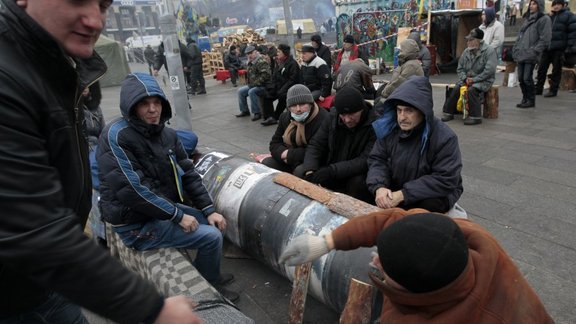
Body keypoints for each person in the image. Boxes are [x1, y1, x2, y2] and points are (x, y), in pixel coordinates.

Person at [0, 0, 201, 322]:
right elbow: (32, 228)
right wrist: (152, 309)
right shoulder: (10, 75)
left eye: (104, 5)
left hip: (41, 283)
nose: (95, 20)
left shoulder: (46, 64)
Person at [97, 73, 239, 302]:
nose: (153, 109)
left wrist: (209, 209)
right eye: (144, 103)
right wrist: (177, 215)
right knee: (211, 237)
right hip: (135, 223)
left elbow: (190, 175)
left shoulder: (167, 134)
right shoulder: (116, 136)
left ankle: (206, 274)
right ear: (131, 107)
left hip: (159, 209)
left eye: (157, 103)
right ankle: (211, 286)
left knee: (215, 223)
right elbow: (132, 190)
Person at [279, 210, 554, 323]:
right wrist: (327, 241)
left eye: (384, 267)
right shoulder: (463, 236)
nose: (374, 260)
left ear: (414, 293)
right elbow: (392, 220)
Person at [369, 76, 463, 213]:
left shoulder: (445, 137)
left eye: (409, 111)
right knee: (362, 186)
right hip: (398, 187)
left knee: (431, 204)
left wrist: (403, 194)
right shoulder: (390, 129)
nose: (402, 117)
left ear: (422, 111)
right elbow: (377, 159)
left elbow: (445, 178)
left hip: (430, 193)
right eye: (399, 110)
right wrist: (379, 187)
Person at [297, 86, 377, 203]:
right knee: (301, 171)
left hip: (355, 173)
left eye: (352, 115)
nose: (347, 120)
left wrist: (332, 171)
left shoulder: (375, 124)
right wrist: (310, 170)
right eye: (343, 115)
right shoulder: (332, 117)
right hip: (332, 167)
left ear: (362, 109)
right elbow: (316, 144)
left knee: (358, 183)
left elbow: (366, 159)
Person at [262, 85, 329, 173]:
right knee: (267, 163)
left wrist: (290, 155)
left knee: (300, 171)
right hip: (289, 158)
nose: (298, 109)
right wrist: (282, 154)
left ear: (310, 103)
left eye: (302, 104)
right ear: (288, 107)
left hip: (313, 162)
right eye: (293, 105)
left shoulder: (323, 119)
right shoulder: (285, 117)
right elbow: (274, 142)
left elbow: (319, 150)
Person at [441, 28, 497, 125]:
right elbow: (460, 68)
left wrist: (474, 80)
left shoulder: (489, 51)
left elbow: (489, 71)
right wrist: (465, 78)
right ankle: (448, 112)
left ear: (478, 40)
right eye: (467, 40)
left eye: (470, 40)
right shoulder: (466, 51)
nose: (468, 42)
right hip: (468, 79)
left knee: (472, 90)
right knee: (456, 88)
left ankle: (475, 116)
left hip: (484, 80)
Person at [513, 0, 551, 108]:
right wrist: (516, 48)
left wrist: (535, 50)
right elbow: (520, 36)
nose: (531, 6)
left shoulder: (544, 19)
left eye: (534, 3)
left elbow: (545, 38)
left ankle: (531, 99)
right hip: (522, 52)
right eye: (530, 3)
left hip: (531, 53)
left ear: (539, 5)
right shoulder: (527, 18)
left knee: (527, 78)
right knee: (520, 78)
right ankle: (525, 98)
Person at [535, 0, 573, 98]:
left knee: (556, 71)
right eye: (554, 4)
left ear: (563, 5)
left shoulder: (569, 15)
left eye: (558, 4)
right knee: (541, 69)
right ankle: (538, 88)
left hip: (559, 48)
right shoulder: (550, 16)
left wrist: (569, 47)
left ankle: (553, 90)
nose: (556, 6)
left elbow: (572, 33)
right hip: (547, 47)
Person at [261, 44, 301, 126]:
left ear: (285, 53)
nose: (277, 53)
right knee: (266, 95)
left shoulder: (292, 63)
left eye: (279, 52)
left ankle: (275, 117)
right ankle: (269, 117)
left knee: (282, 96)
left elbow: (292, 80)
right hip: (279, 87)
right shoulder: (279, 62)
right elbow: (274, 77)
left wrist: (282, 89)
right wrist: (272, 87)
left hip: (290, 88)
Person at [236, 45, 271, 121]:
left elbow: (265, 76)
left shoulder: (261, 61)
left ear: (255, 52)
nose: (249, 55)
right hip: (253, 85)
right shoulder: (250, 62)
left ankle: (257, 112)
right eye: (248, 54)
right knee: (240, 91)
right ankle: (244, 110)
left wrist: (255, 83)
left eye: (250, 53)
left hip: (264, 85)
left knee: (251, 91)